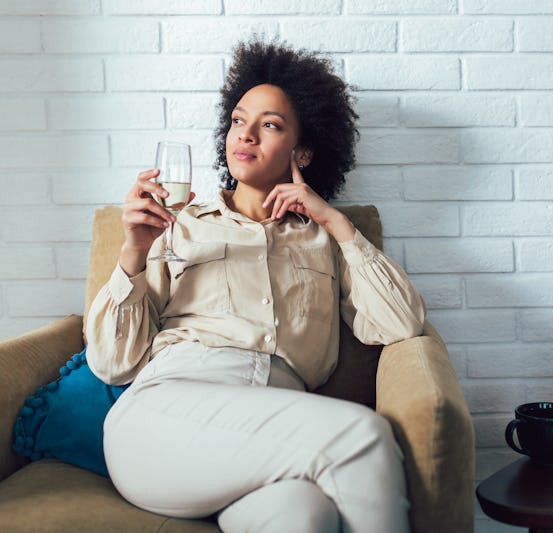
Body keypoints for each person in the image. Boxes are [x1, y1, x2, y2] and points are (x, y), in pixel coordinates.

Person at [85, 40, 426, 533]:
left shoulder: (324, 240)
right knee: (364, 435)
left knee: (305, 515)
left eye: (269, 125)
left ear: (302, 151)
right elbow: (112, 364)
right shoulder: (177, 225)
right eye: (239, 120)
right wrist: (134, 251)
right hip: (164, 419)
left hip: (266, 439)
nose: (245, 135)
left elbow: (402, 322)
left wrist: (335, 222)